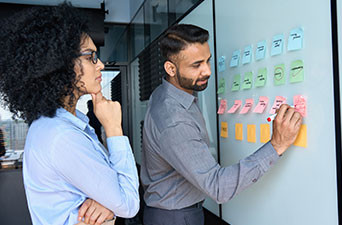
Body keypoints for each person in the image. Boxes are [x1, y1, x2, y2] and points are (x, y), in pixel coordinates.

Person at [140, 24, 303, 225]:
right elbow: (218, 187)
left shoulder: (167, 93)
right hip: (175, 217)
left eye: (207, 61)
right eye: (196, 65)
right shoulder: (174, 119)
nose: (207, 71)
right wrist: (276, 145)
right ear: (170, 68)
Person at [0, 4, 139, 225]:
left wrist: (107, 201)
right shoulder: (61, 137)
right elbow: (129, 204)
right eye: (91, 56)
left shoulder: (63, 124)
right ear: (60, 63)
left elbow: (110, 187)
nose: (100, 65)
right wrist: (114, 129)